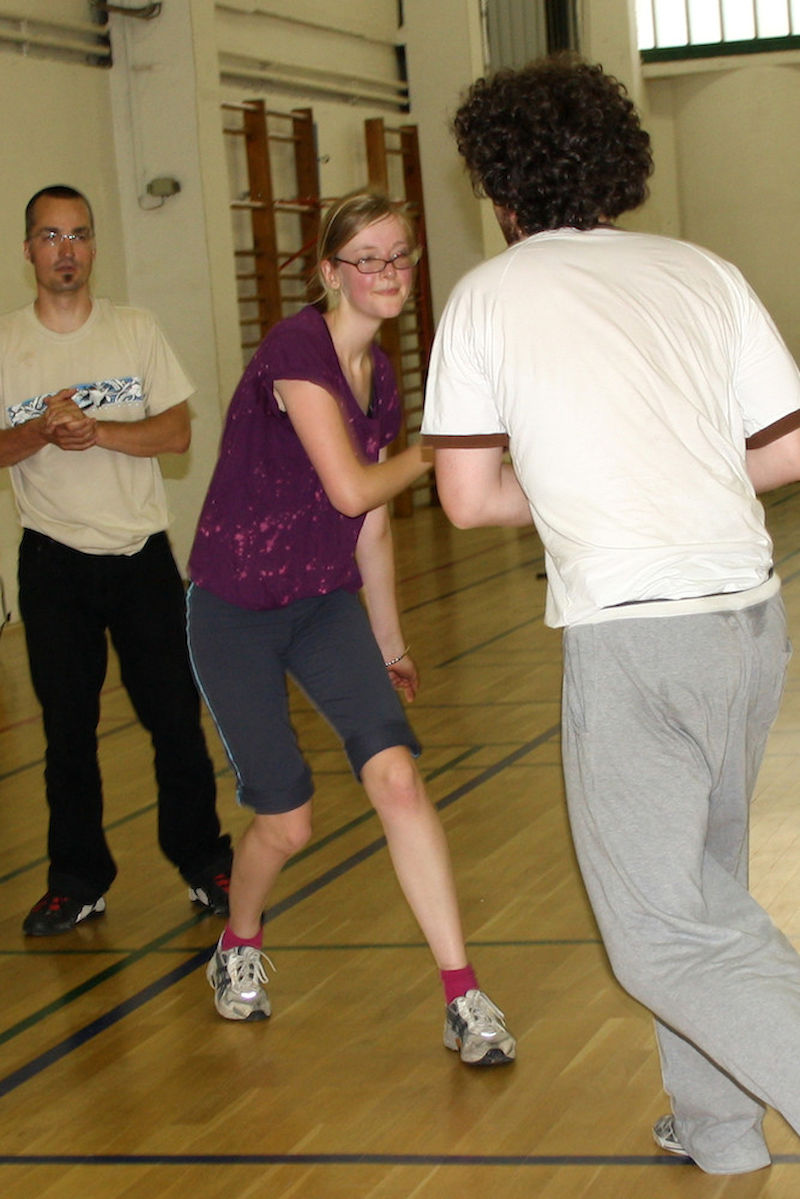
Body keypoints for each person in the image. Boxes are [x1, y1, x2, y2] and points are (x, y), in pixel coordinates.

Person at [422, 56, 800, 1171]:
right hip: (746, 615)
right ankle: (719, 1126)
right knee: (706, 886)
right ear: (614, 164)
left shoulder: (488, 295)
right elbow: (784, 446)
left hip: (634, 630)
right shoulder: (699, 270)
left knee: (656, 932)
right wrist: (664, 464)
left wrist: (582, 476)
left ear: (497, 188)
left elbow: (463, 495)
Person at [187, 190, 515, 1065]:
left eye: (400, 255)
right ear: (330, 272)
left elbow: (367, 527)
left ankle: (462, 994)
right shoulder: (297, 347)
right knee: (287, 821)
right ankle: (239, 944)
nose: (387, 272)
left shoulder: (384, 377)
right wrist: (440, 447)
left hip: (325, 603)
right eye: (366, 258)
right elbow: (352, 487)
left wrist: (390, 639)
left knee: (399, 779)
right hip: (236, 611)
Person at [0, 185, 233, 936]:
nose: (65, 249)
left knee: (174, 718)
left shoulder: (136, 329)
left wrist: (94, 431)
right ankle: (77, 879)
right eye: (49, 236)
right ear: (28, 249)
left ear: (94, 247)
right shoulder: (7, 344)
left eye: (78, 235)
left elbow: (175, 433)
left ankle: (205, 862)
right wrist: (41, 430)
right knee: (67, 730)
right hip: (52, 563)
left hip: (140, 560)